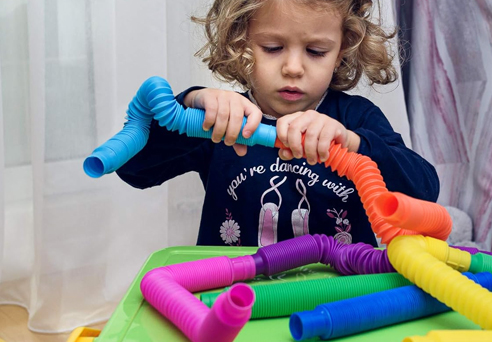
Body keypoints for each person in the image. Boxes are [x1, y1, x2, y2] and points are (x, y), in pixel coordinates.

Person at [117, 0, 439, 247]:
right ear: (243, 40)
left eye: (315, 51)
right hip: (236, 301)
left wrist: (353, 143)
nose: (293, 68)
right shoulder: (224, 121)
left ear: (341, 51)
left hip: (340, 303)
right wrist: (189, 107)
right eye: (272, 48)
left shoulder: (356, 120)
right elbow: (133, 169)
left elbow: (425, 190)